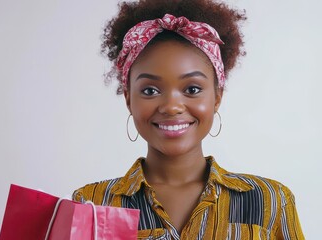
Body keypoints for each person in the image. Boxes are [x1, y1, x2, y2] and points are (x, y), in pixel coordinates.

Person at [72, 0, 304, 239]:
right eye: (150, 90)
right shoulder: (91, 204)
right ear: (129, 99)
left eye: (192, 89)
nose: (172, 107)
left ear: (217, 97)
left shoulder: (271, 201)